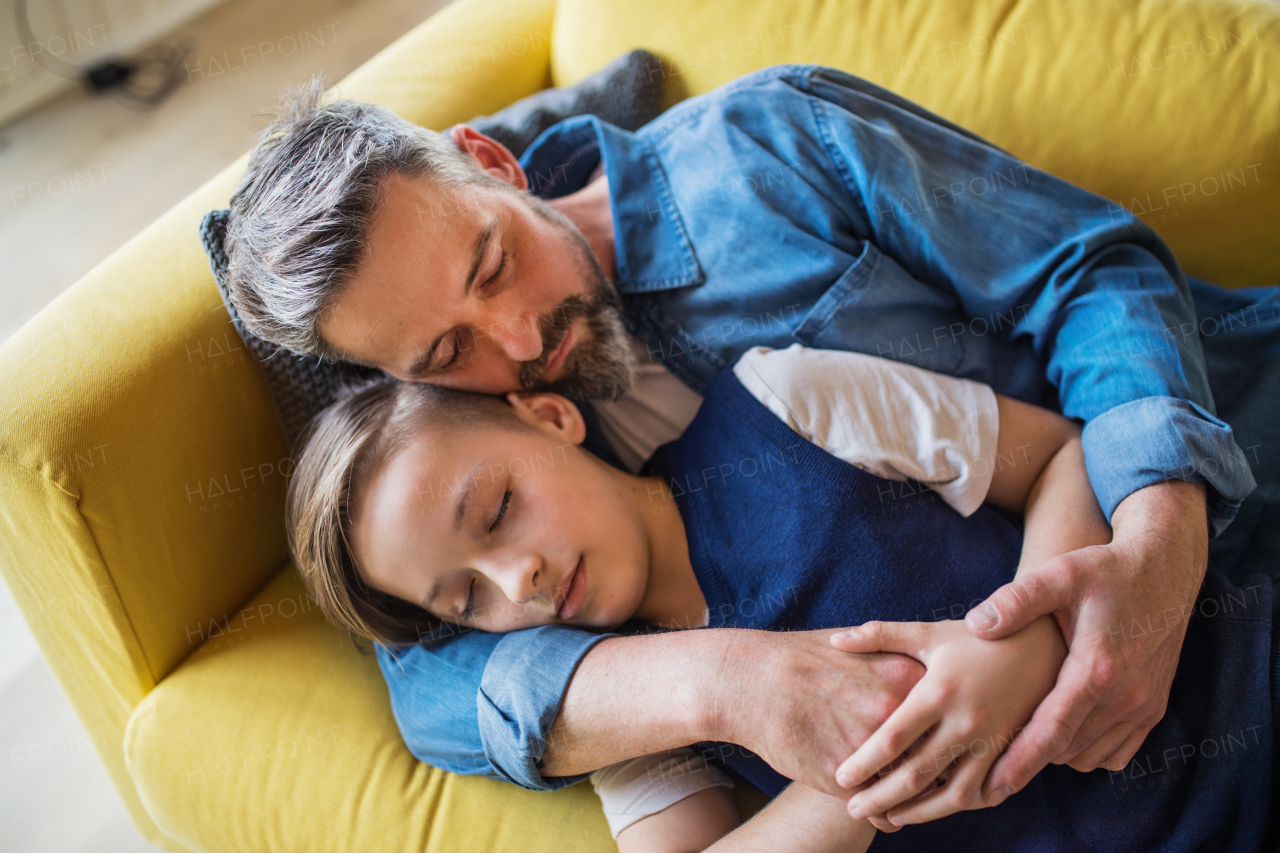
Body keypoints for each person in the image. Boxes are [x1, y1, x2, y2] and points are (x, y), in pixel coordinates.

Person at [223, 63, 1280, 820]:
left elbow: (1087, 272)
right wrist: (725, 682)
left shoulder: (770, 145)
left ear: (492, 164)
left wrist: (1157, 537)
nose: (515, 342)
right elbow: (436, 679)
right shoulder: (502, 484)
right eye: (446, 349)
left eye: (492, 263)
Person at [283, 344, 1275, 852]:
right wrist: (872, 765)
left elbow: (1056, 454)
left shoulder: (782, 399)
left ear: (548, 416)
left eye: (496, 509)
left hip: (1233, 706)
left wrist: (1020, 633)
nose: (519, 582)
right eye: (465, 600)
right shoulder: (619, 701)